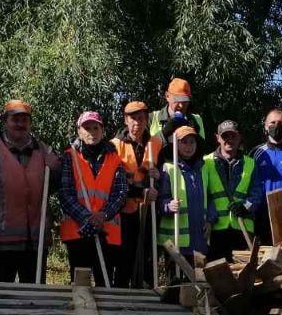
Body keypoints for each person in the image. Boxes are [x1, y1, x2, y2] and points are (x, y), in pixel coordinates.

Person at [0, 99, 61, 283]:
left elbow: (55, 186)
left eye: (24, 119)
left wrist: (56, 170)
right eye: (15, 119)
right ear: (5, 121)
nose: (20, 124)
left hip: (35, 243)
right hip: (1, 241)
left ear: (30, 123)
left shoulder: (46, 151)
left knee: (34, 299)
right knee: (3, 295)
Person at [58, 111, 127, 286]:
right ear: (79, 131)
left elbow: (120, 194)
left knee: (105, 284)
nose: (91, 132)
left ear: (102, 130)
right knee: (80, 286)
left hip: (106, 233)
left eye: (95, 128)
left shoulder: (115, 159)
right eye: (86, 128)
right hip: (78, 232)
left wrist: (102, 215)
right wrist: (87, 218)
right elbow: (66, 194)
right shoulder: (69, 156)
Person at [112, 101, 164, 287]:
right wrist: (141, 192)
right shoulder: (115, 146)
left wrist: (157, 176)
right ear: (126, 120)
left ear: (146, 120)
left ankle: (145, 297)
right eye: (133, 119)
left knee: (146, 257)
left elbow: (164, 175)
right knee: (124, 258)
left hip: (148, 210)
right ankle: (121, 298)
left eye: (141, 119)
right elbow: (113, 183)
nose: (137, 123)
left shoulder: (155, 143)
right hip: (124, 211)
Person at [202, 120, 260, 262]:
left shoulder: (251, 163)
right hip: (215, 231)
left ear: (240, 137)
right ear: (217, 138)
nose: (229, 140)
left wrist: (244, 207)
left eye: (233, 136)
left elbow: (257, 193)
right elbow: (203, 194)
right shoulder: (206, 162)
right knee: (216, 276)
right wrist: (210, 217)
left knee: (242, 276)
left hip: (242, 230)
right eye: (225, 136)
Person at [157, 126, 209, 266]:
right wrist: (169, 206)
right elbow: (160, 201)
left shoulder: (203, 169)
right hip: (176, 242)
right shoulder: (168, 168)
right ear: (176, 145)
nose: (189, 146)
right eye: (184, 142)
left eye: (192, 142)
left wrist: (210, 219)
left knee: (198, 282)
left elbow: (209, 199)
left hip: (199, 239)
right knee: (176, 284)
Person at [250, 107, 282, 245]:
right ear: (265, 126)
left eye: (281, 123)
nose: (276, 126)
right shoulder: (256, 153)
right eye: (272, 123)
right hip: (262, 216)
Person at [150, 77, 207, 161]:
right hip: (160, 171)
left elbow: (202, 151)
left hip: (188, 172)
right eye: (177, 100)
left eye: (185, 101)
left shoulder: (196, 120)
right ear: (167, 96)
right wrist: (164, 132)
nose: (181, 105)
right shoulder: (152, 118)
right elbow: (146, 150)